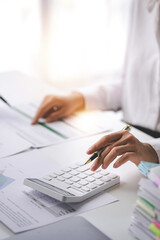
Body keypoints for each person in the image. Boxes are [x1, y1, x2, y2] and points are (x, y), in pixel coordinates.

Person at [32, 0, 160, 171]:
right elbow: (134, 81)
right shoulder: (140, 4)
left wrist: (152, 150)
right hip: (129, 144)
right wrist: (80, 99)